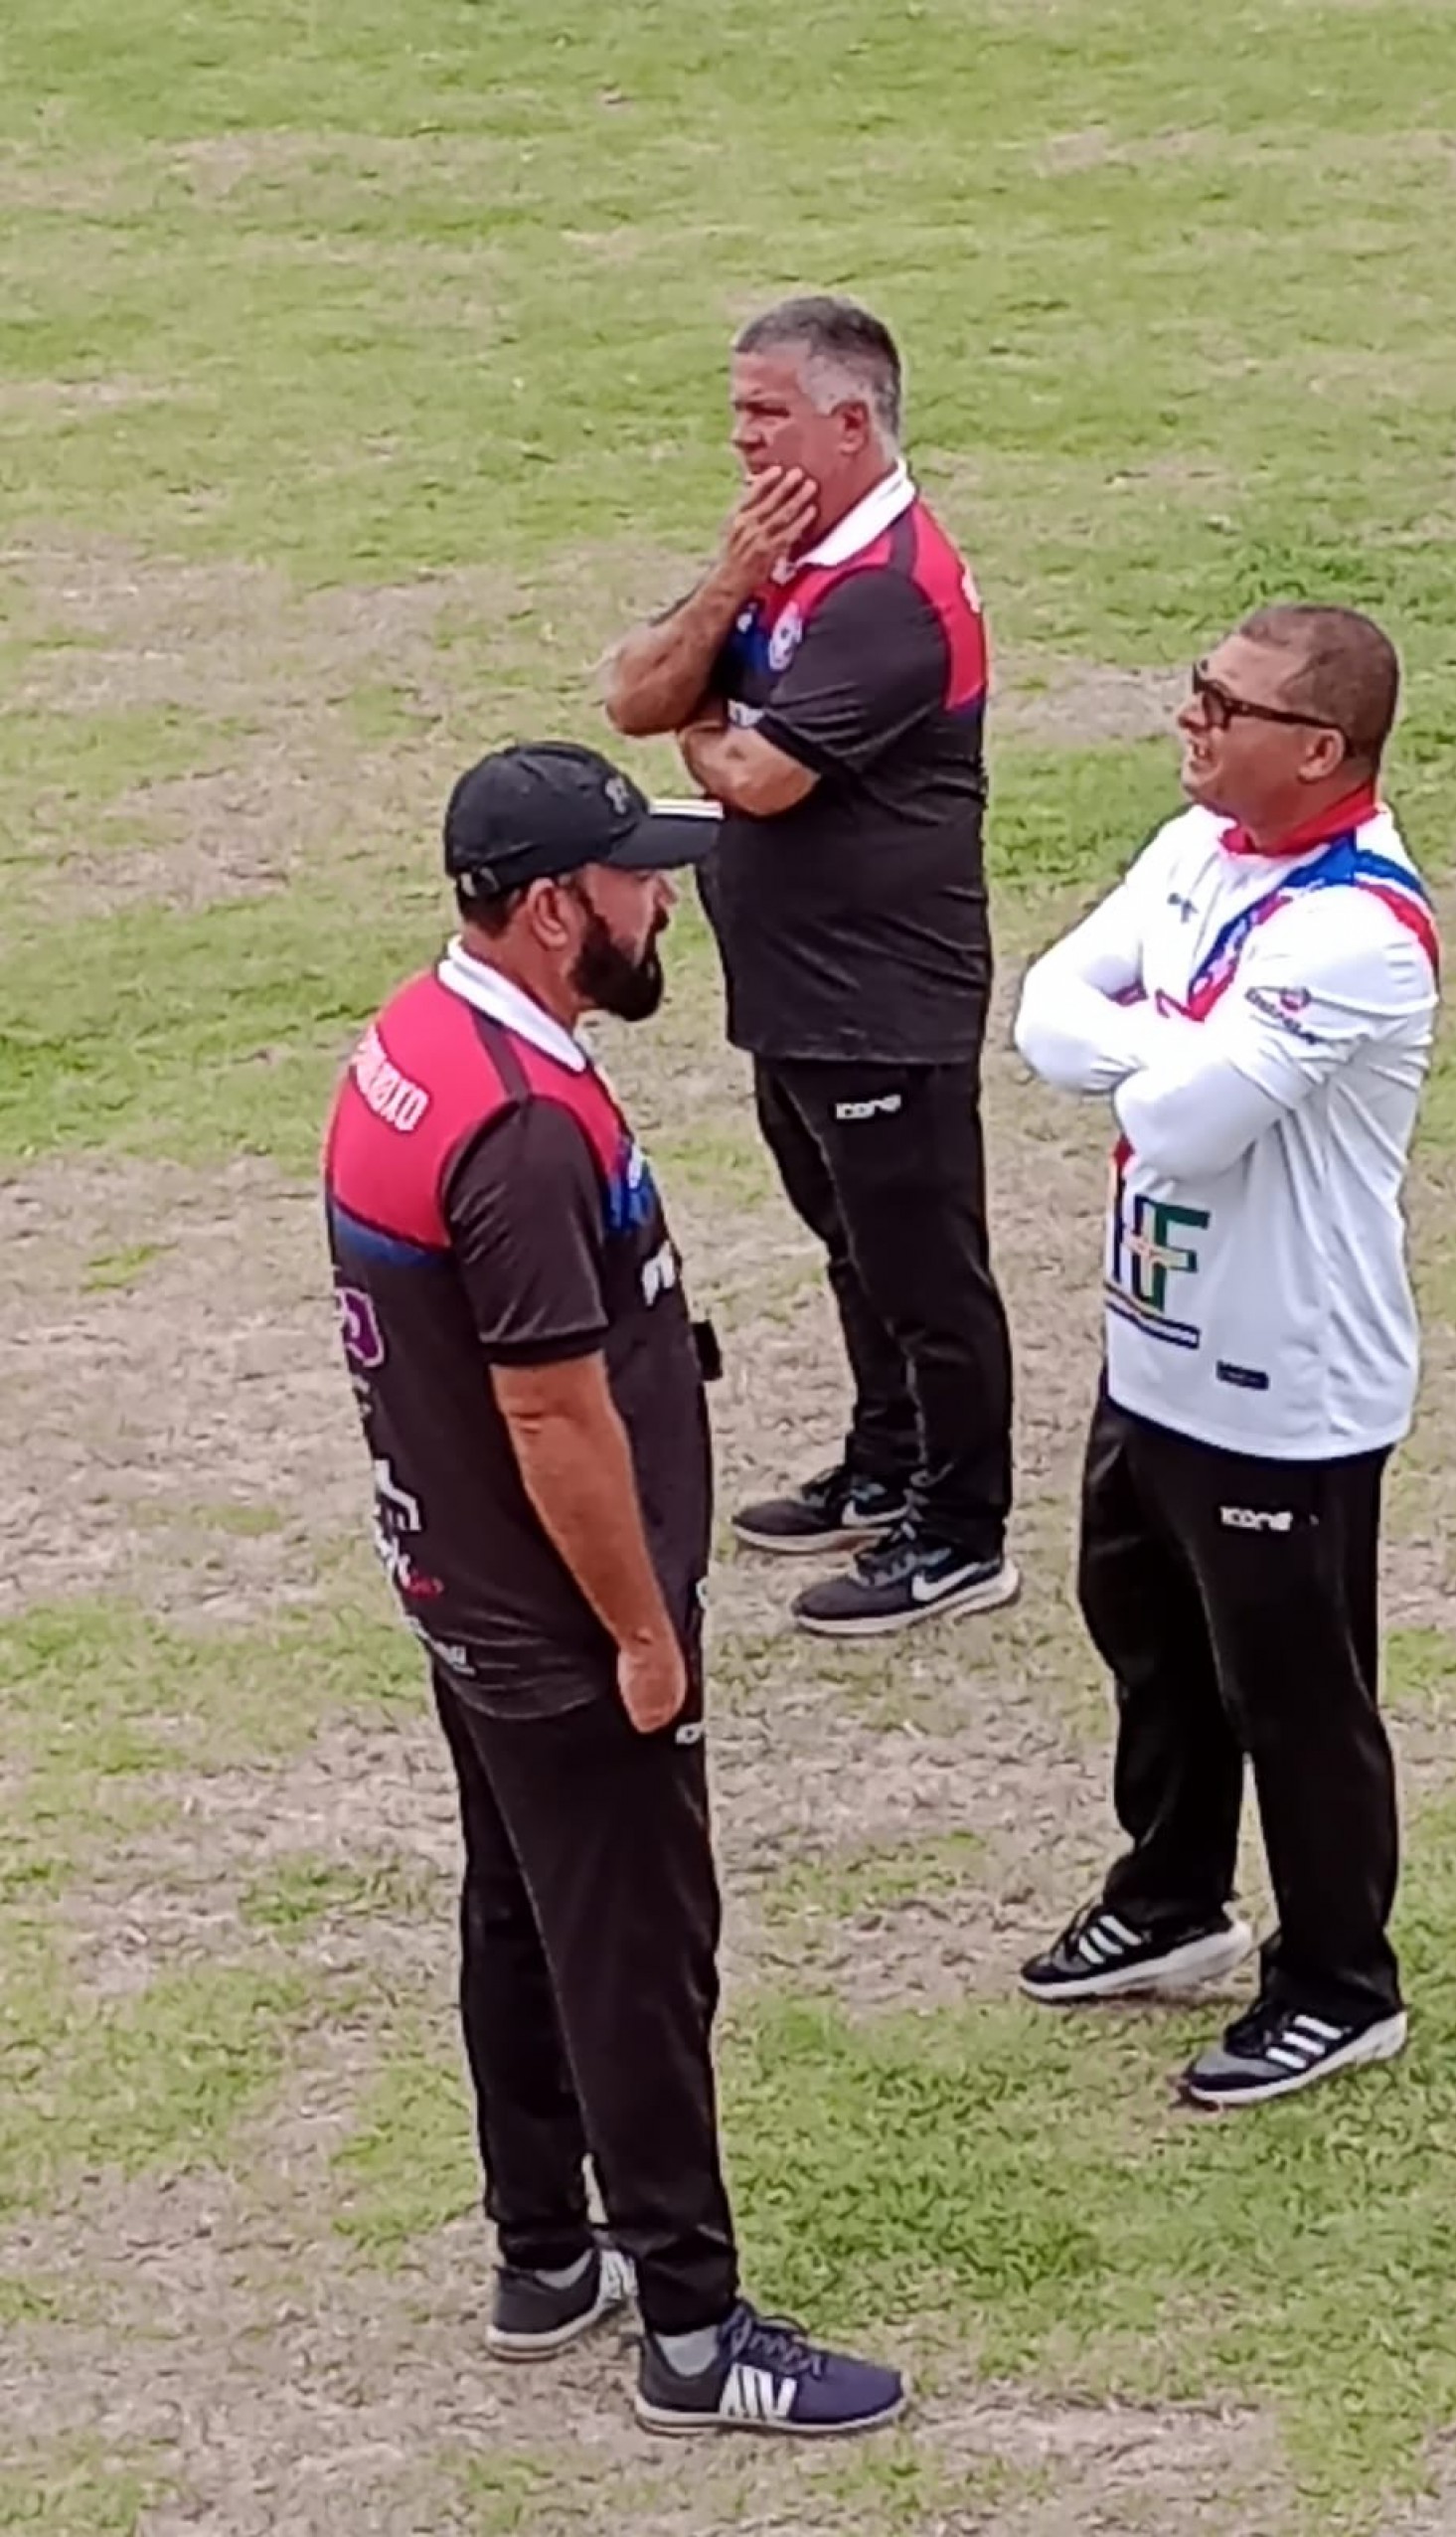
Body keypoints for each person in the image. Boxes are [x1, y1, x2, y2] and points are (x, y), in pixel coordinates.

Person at [322, 740, 903, 2434]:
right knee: (637, 1952)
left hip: (462, 1591)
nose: (669, 904)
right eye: (643, 879)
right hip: (561, 1620)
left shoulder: (414, 1047)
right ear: (559, 907)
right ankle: (697, 2330)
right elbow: (549, 1406)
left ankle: (543, 2252)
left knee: (517, 1911)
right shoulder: (514, 1124)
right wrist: (643, 1627)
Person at [1011, 606, 1438, 2112]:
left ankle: (1339, 1980)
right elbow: (1044, 1011)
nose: (1190, 720)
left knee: (1297, 1694)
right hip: (1155, 1350)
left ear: (1318, 750)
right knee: (1142, 1628)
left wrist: (1152, 1050)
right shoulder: (1196, 852)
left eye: (1226, 705)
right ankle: (1173, 1897)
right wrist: (1176, 1043)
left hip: (1288, 1381)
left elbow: (1183, 1125)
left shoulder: (1356, 934)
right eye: (1198, 689)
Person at [603, 293, 1017, 1640]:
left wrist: (714, 728)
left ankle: (963, 1534)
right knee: (849, 1247)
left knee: (926, 1272)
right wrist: (726, 591)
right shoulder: (788, 556)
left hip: (881, 998)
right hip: (794, 986)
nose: (740, 439)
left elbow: (763, 777)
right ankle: (885, 1463)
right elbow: (634, 693)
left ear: (849, 422)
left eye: (763, 411)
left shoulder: (891, 594)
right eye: (738, 411)